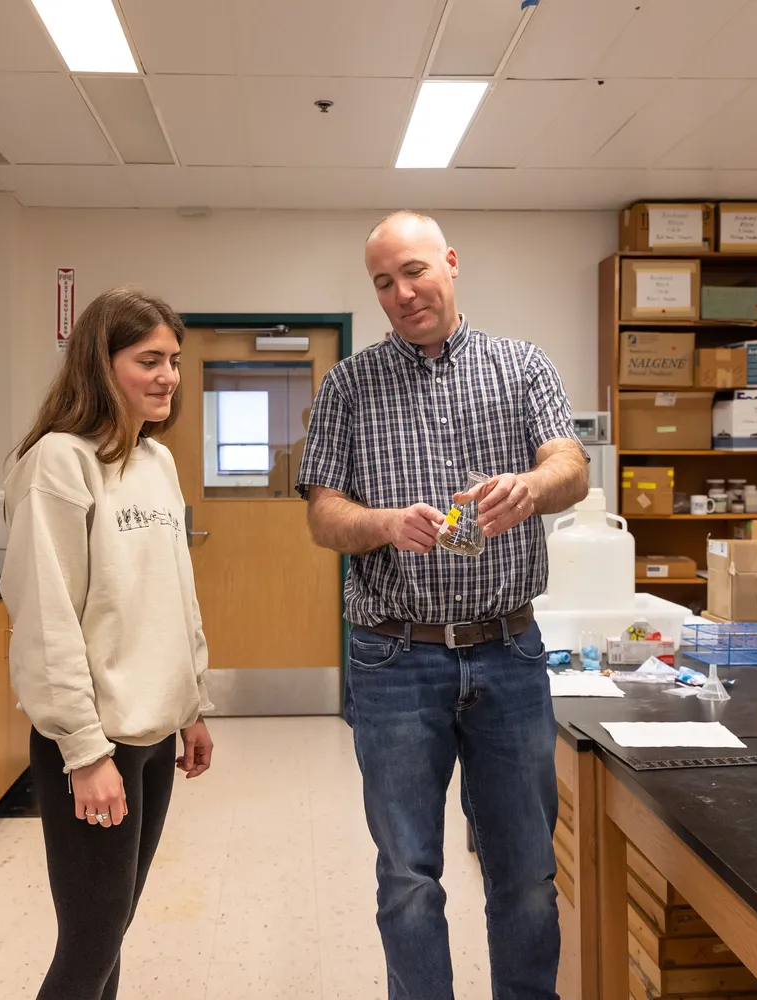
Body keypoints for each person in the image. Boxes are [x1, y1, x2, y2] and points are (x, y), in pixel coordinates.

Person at [296, 211, 589, 1000]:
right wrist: (384, 524)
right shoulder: (349, 385)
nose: (402, 293)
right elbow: (324, 514)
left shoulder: (520, 366)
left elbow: (571, 462)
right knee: (409, 876)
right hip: (395, 657)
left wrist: (530, 488)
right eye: (384, 282)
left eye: (415, 271)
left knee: (526, 871)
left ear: (451, 264)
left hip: (509, 651)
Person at [0, 286, 216, 1000]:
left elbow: (173, 593)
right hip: (97, 744)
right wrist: (84, 751)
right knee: (89, 945)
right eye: (148, 360)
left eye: (174, 361)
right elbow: (45, 619)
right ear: (101, 362)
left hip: (154, 731)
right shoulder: (58, 463)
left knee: (112, 929)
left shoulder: (155, 462)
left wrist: (193, 702)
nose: (168, 377)